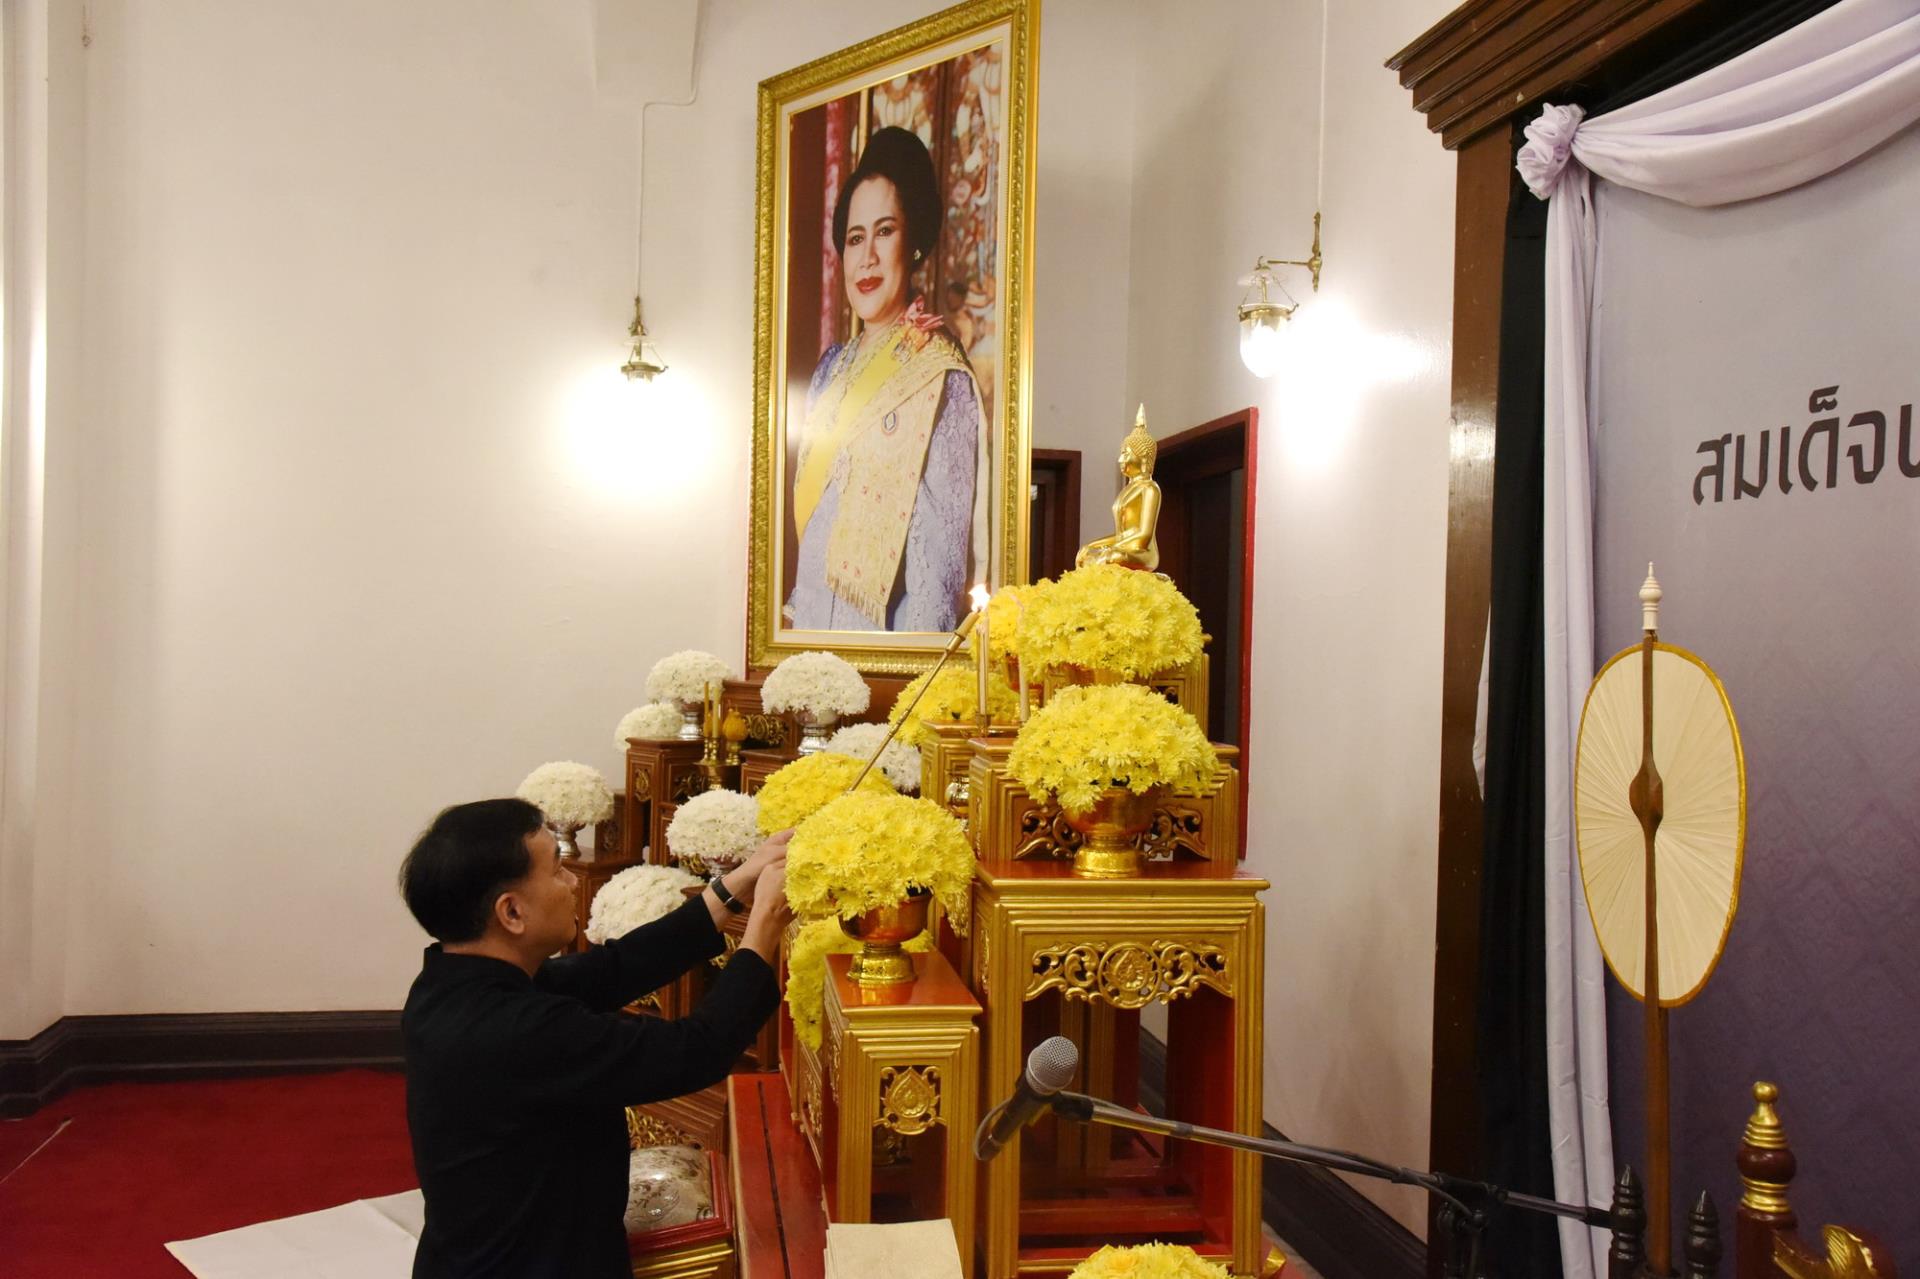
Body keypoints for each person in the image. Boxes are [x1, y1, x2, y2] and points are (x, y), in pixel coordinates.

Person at [398, 798, 791, 1278]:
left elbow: (614, 968)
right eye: (557, 870)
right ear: (512, 912)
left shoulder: (452, 982)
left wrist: (736, 884)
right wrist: (765, 923)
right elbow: (696, 1051)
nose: (571, 883)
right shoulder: (517, 1031)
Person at [785, 125, 989, 634]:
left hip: (880, 649)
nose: (868, 258)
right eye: (855, 238)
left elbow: (936, 566)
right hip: (809, 645)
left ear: (913, 243)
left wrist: (909, 671)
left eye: (885, 231)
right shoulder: (831, 369)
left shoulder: (938, 375)